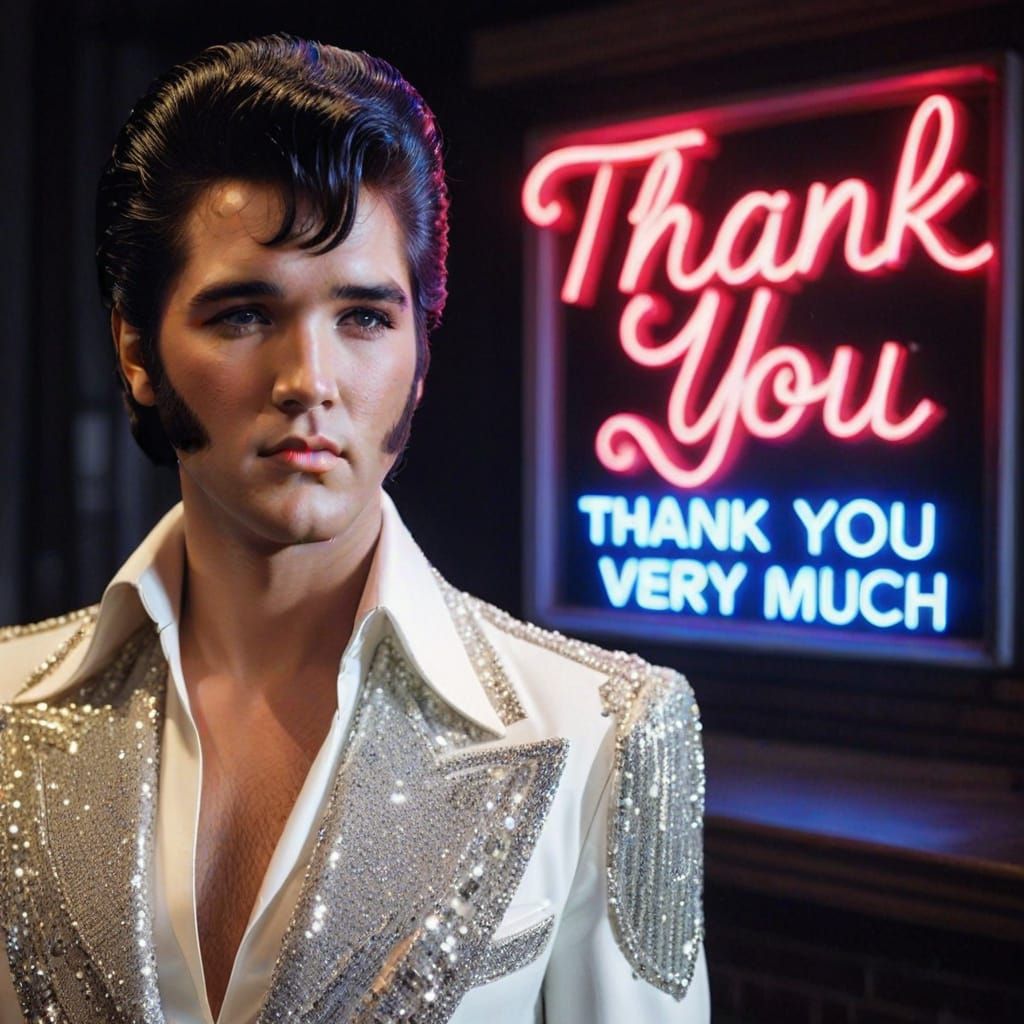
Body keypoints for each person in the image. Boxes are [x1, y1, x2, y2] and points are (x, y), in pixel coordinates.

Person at [0, 34, 709, 1023]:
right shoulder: (7, 710)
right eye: (245, 314)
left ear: (420, 350)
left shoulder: (599, 733)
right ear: (136, 348)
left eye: (364, 317)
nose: (310, 382)